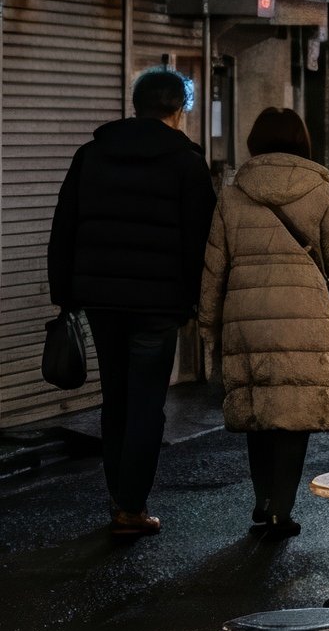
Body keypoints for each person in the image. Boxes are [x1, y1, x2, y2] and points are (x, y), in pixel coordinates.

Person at [48, 68, 217, 540]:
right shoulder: (186, 162)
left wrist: (64, 294)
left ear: (137, 103)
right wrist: (196, 301)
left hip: (102, 302)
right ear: (178, 109)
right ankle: (130, 505)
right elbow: (199, 241)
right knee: (146, 403)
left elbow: (65, 227)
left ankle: (119, 498)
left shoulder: (92, 155)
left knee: (116, 399)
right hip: (159, 305)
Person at [198, 107, 329, 539]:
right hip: (305, 318)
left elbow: (213, 267)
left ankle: (262, 500)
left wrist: (208, 321)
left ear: (254, 143)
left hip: (247, 317)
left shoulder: (233, 193)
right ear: (303, 142)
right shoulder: (320, 191)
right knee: (293, 415)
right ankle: (281, 508)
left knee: (259, 411)